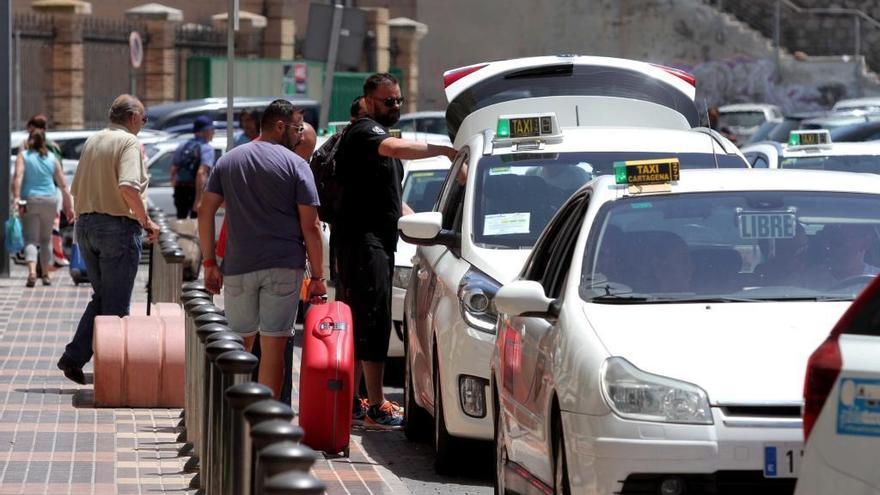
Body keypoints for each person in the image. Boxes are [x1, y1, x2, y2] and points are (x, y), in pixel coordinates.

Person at [336, 73, 456, 427]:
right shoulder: (364, 132)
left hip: (376, 242)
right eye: (389, 101)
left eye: (399, 100)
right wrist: (444, 151)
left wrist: (415, 220)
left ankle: (355, 402)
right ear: (369, 101)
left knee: (363, 323)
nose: (396, 106)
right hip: (363, 244)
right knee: (371, 323)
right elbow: (395, 148)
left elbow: (389, 199)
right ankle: (375, 406)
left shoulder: (377, 139)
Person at [198, 99, 326, 399]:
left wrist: (209, 263)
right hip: (284, 267)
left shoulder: (229, 160)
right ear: (279, 126)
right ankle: (265, 425)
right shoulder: (296, 165)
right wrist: (318, 276)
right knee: (273, 347)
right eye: (296, 129)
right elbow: (312, 226)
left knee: (239, 345)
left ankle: (234, 420)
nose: (300, 135)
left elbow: (205, 212)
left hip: (239, 266)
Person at [56, 94, 160, 385]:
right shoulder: (128, 142)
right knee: (115, 306)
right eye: (144, 118)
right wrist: (146, 220)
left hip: (87, 226)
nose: (143, 123)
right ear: (132, 118)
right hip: (116, 227)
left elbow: (76, 187)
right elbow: (128, 186)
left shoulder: (94, 140)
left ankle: (74, 357)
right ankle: (112, 376)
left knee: (103, 297)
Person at [12, 130, 74, 287]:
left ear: (29, 141)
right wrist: (69, 205)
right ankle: (46, 275)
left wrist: (17, 198)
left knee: (31, 238)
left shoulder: (23, 156)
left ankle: (32, 273)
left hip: (30, 199)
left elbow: (18, 177)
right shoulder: (52, 158)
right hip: (50, 200)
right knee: (46, 239)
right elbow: (63, 185)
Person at [800, 225, 880, 289]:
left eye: (840, 241)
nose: (831, 247)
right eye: (833, 241)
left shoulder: (876, 279)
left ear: (865, 243)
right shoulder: (805, 280)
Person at [170, 115, 215, 219]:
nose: (213, 133)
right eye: (212, 130)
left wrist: (176, 187)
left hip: (180, 189)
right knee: (196, 226)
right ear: (205, 131)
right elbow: (201, 173)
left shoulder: (182, 145)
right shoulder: (207, 149)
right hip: (196, 190)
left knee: (181, 222)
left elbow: (173, 169)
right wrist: (198, 199)